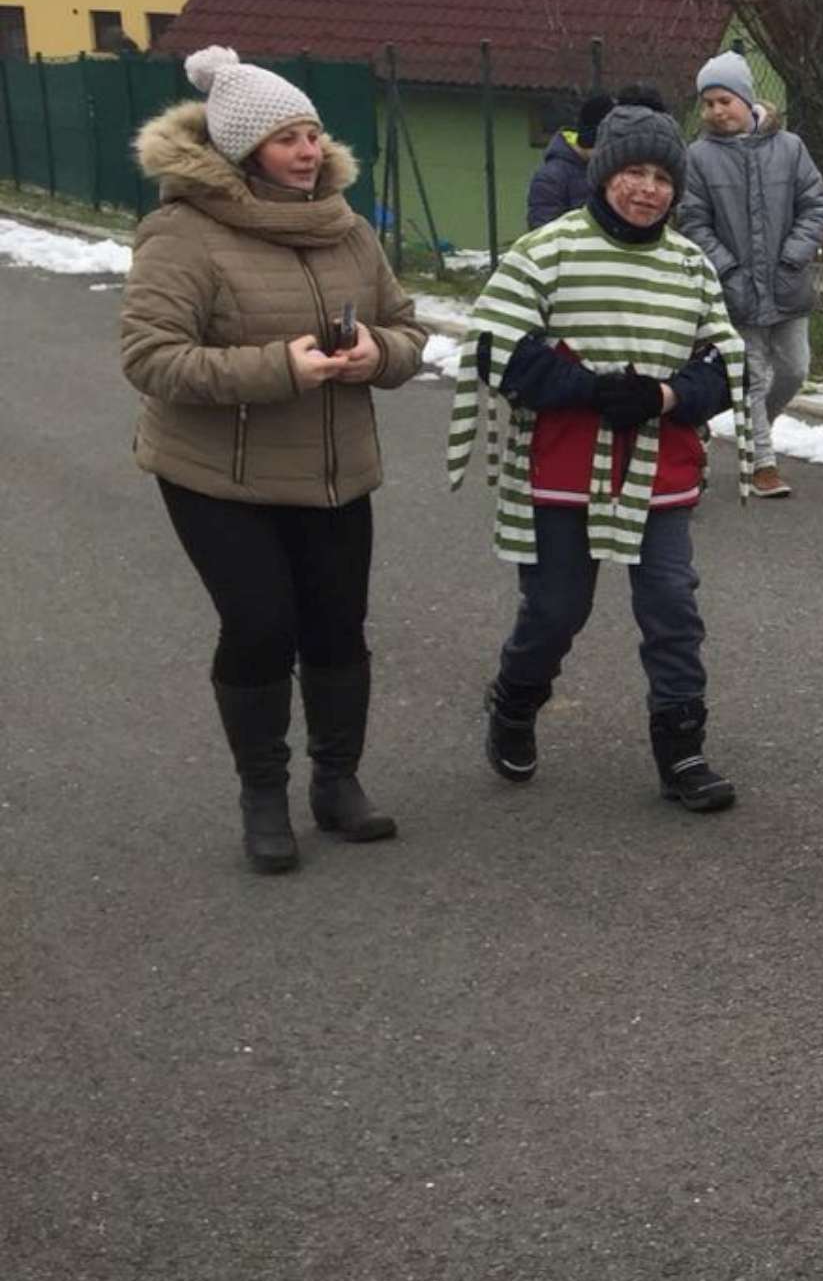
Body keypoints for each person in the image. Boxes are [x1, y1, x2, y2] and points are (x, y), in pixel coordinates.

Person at [118, 47, 428, 873]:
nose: (309, 151)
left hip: (333, 472)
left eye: (313, 134)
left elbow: (408, 329)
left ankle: (337, 783)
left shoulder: (348, 228)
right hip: (219, 476)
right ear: (241, 149)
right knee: (260, 627)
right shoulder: (182, 233)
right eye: (288, 138)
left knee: (337, 625)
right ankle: (263, 795)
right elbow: (151, 358)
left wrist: (380, 353)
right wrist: (278, 368)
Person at [450, 105, 747, 812]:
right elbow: (494, 346)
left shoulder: (690, 265)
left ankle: (682, 749)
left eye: (662, 178)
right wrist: (588, 389)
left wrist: (665, 395)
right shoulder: (546, 251)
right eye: (633, 172)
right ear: (604, 173)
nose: (648, 189)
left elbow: (726, 363)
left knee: (672, 607)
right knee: (557, 609)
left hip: (657, 465)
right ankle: (516, 698)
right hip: (563, 465)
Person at [677, 50, 823, 499]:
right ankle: (762, 462)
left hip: (787, 284)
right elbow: (694, 222)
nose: (716, 111)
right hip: (736, 290)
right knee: (753, 377)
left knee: (795, 369)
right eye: (708, 103)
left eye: (724, 100)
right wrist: (726, 268)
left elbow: (816, 205)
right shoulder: (698, 158)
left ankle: (757, 426)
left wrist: (794, 256)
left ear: (746, 99)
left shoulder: (790, 148)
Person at [525, 92, 614, 232]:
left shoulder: (609, 171)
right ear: (590, 142)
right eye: (606, 147)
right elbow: (543, 231)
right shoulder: (551, 177)